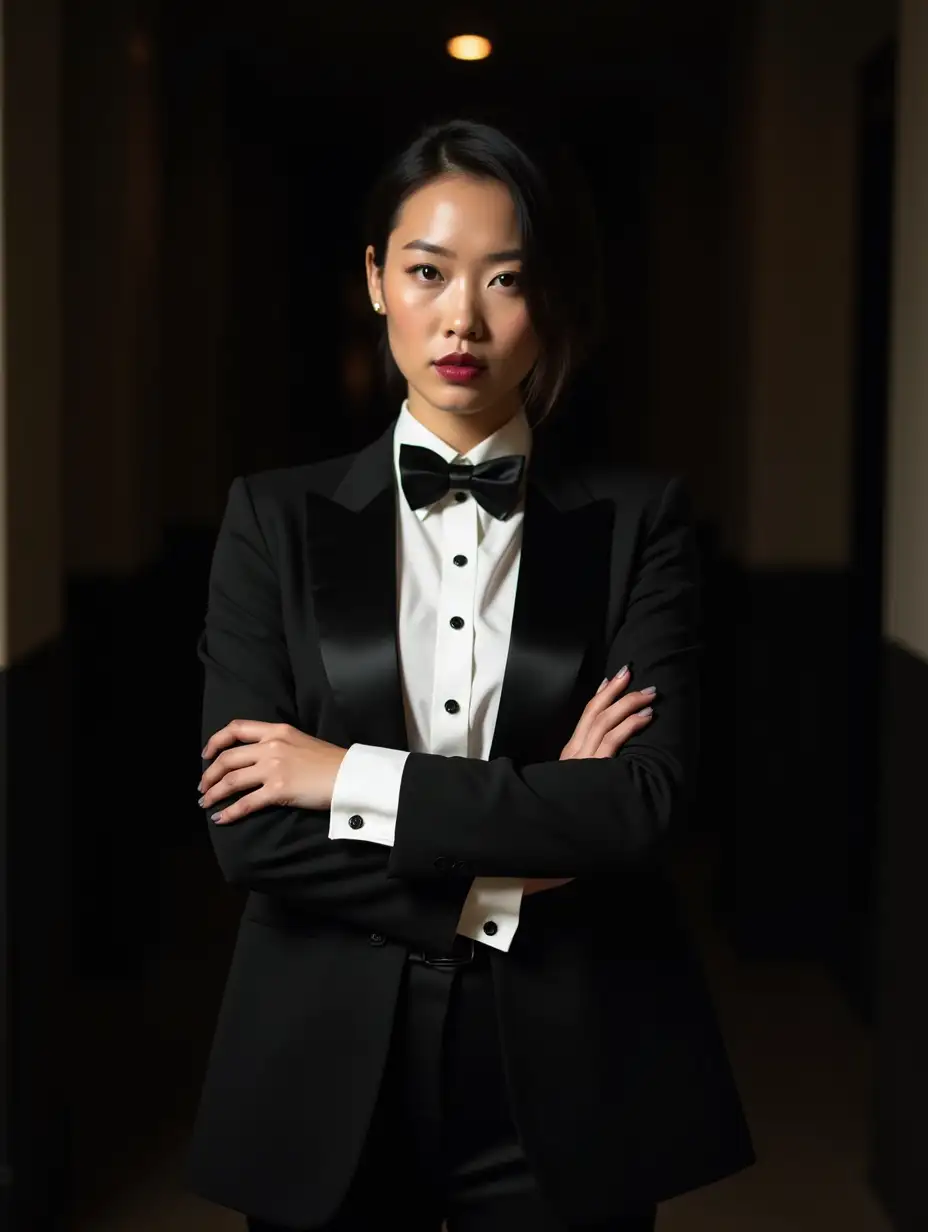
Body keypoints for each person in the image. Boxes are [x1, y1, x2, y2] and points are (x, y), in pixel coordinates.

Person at [186, 116, 755, 1232]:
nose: (462, 318)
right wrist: (505, 875)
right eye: (427, 272)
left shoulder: (639, 522)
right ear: (374, 280)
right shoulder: (273, 518)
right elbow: (246, 828)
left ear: (549, 302)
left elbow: (636, 807)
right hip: (319, 1060)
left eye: (506, 279)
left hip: (570, 1061)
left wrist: (345, 773)